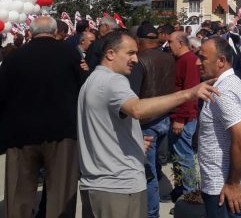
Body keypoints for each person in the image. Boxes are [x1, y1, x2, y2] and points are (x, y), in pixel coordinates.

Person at [77, 31, 217, 218]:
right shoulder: (113, 81)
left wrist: (131, 143)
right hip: (118, 187)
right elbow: (137, 109)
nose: (135, 59)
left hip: (103, 185)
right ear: (110, 54)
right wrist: (189, 94)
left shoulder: (93, 80)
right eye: (130, 53)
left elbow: (102, 127)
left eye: (136, 52)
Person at [0, 16, 85, 218]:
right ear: (55, 32)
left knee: (18, 191)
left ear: (30, 32)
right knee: (61, 192)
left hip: (20, 134)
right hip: (62, 131)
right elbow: (82, 89)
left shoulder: (15, 57)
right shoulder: (70, 55)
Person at [195, 37, 241, 218]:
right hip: (227, 184)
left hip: (222, 190)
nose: (197, 62)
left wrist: (233, 183)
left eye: (203, 58)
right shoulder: (234, 82)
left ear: (221, 61)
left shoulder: (223, 91)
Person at [136, 23, 177, 218]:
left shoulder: (140, 60)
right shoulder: (168, 58)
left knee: (148, 172)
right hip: (164, 117)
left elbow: (135, 94)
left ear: (140, 41)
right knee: (154, 167)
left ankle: (151, 213)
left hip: (147, 122)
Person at [168, 31, 202, 200]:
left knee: (184, 157)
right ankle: (181, 189)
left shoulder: (188, 61)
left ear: (180, 43)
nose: (168, 45)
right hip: (178, 116)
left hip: (184, 118)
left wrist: (181, 118)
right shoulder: (180, 59)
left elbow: (190, 92)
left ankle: (190, 194)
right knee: (177, 157)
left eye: (170, 42)